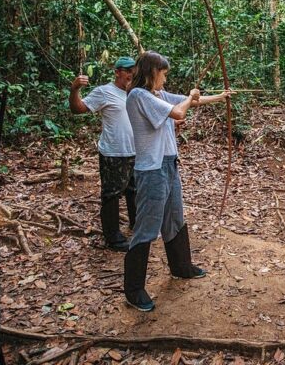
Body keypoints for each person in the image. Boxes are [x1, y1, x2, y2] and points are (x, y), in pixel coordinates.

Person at [123, 51, 233, 312]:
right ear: (151, 72)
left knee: (174, 217)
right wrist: (189, 99)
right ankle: (134, 289)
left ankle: (181, 266)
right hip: (151, 170)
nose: (164, 78)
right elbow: (177, 112)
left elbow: (188, 103)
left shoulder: (157, 95)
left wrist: (221, 96)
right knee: (148, 226)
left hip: (168, 164)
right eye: (163, 73)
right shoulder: (139, 96)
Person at [69, 57, 138, 252]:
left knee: (134, 190)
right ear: (117, 72)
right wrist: (74, 89)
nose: (131, 74)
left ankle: (136, 224)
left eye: (134, 70)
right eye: (127, 70)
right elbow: (77, 109)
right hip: (114, 153)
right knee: (112, 194)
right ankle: (113, 238)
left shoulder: (136, 93)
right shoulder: (104, 92)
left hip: (136, 151)